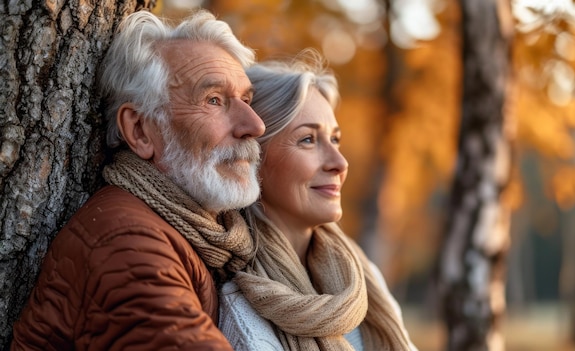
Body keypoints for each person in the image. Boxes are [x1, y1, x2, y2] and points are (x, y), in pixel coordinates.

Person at [11, 10, 265, 350]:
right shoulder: (128, 242)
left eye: (246, 100)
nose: (254, 125)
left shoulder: (203, 235)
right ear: (141, 130)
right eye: (214, 100)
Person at [219, 50, 417, 351]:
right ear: (253, 158)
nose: (339, 162)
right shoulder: (231, 295)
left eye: (335, 139)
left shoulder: (362, 277)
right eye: (308, 139)